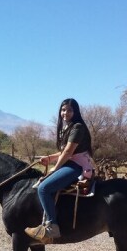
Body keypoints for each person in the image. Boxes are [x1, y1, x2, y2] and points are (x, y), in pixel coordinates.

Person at [25, 98, 94, 240]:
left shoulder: (77, 127)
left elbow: (68, 152)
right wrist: (49, 158)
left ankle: (52, 226)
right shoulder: (67, 128)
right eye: (63, 110)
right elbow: (64, 152)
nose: (65, 113)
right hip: (71, 162)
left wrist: (55, 168)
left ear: (75, 111)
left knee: (43, 188)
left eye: (69, 110)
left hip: (78, 166)